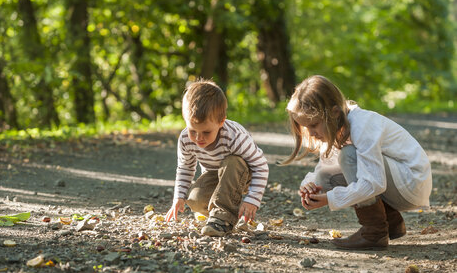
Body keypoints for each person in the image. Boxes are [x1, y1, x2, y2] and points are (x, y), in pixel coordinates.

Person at [281, 75, 432, 250]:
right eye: (305, 127)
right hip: (396, 184)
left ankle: (374, 233)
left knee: (349, 156)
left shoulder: (362, 125)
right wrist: (309, 185)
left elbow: (373, 184)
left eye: (314, 124)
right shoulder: (338, 125)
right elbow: (325, 169)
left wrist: (330, 199)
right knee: (323, 179)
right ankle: (391, 221)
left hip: (411, 182)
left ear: (335, 112)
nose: (311, 133)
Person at [165, 78, 269, 237]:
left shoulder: (235, 137)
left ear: (221, 122)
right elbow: (185, 167)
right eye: (193, 130)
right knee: (194, 201)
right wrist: (178, 197)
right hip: (215, 174)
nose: (199, 138)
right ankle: (223, 212)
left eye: (206, 132)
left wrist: (252, 200)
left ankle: (223, 219)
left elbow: (260, 166)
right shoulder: (186, 138)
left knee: (232, 161)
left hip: (242, 173)